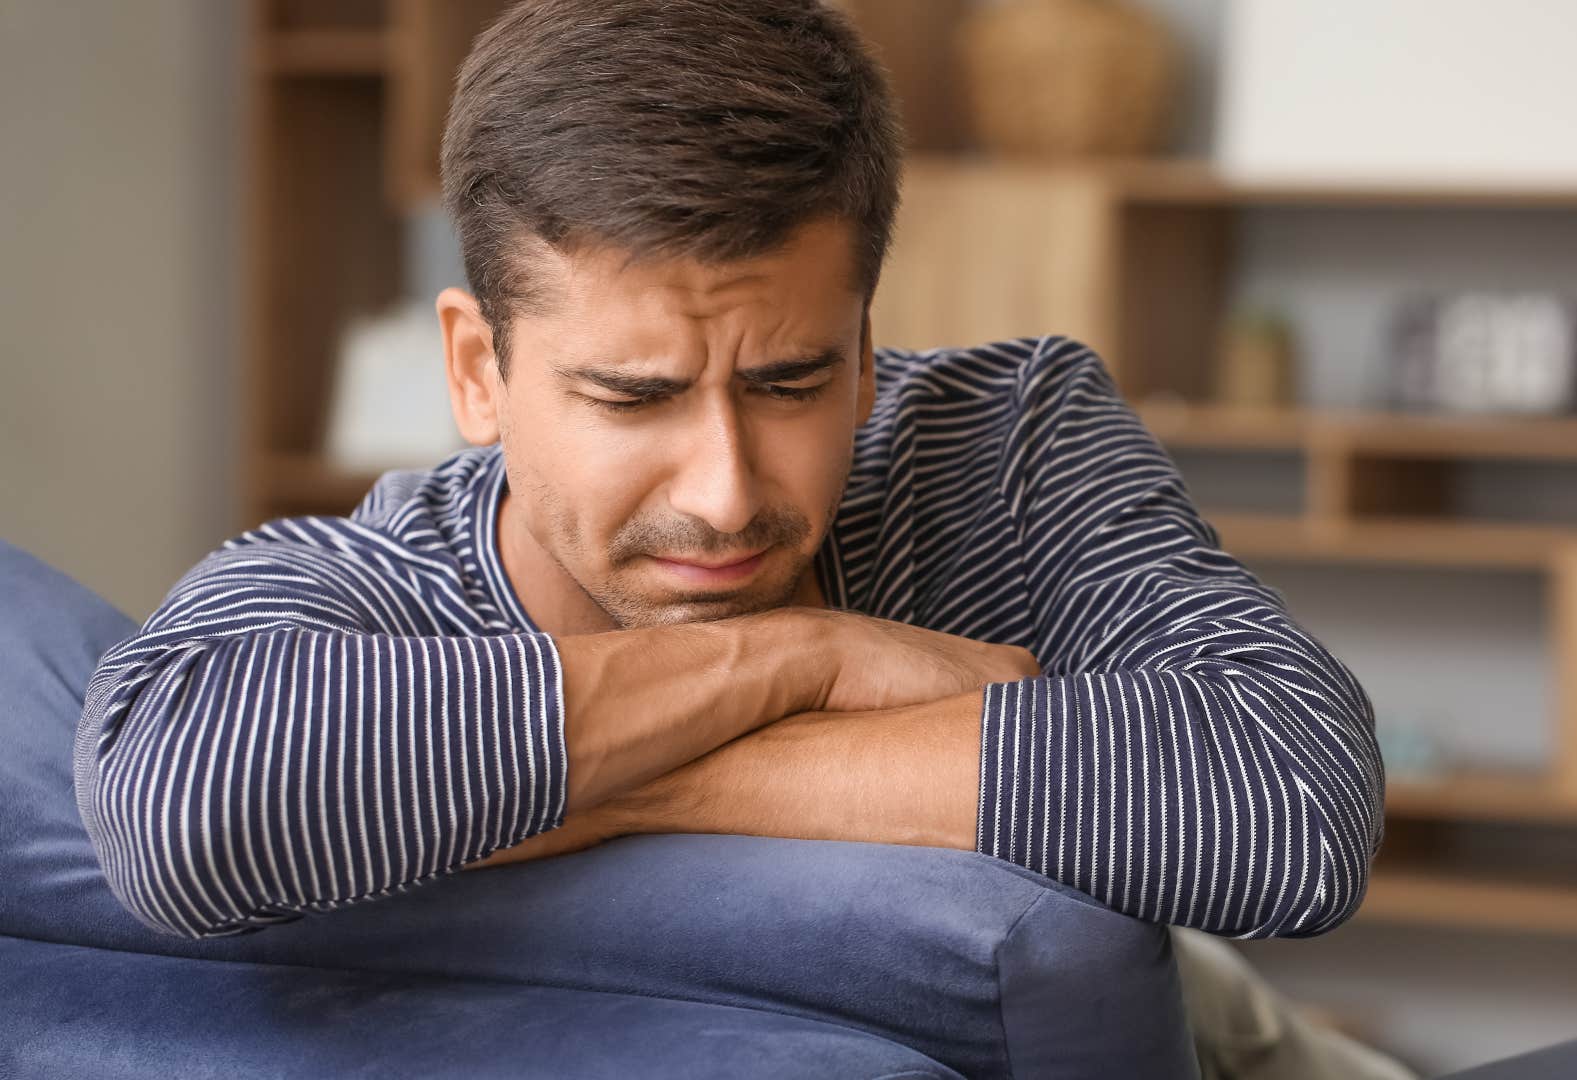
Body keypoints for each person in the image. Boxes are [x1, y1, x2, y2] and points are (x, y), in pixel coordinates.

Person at [74, 0, 1391, 1073]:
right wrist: (802, 665)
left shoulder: (1002, 438)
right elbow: (180, 806)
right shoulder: (373, 587)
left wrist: (596, 785)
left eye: (791, 382)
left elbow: (1295, 804)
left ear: (868, 354)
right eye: (633, 396)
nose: (723, 490)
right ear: (476, 370)